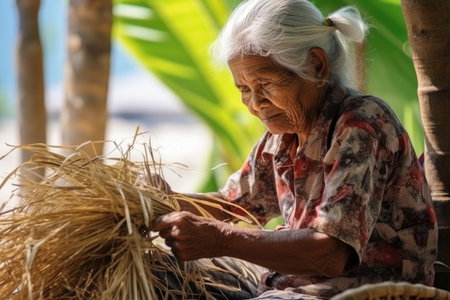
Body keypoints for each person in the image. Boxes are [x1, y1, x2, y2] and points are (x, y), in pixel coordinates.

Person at [150, 0, 438, 298]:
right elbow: (231, 204)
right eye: (244, 89)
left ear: (316, 65)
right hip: (291, 285)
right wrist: (157, 202)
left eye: (265, 84)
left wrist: (219, 240)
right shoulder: (283, 134)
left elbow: (330, 253)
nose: (255, 104)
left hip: (362, 291)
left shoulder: (361, 124)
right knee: (161, 274)